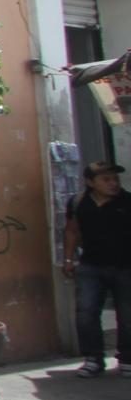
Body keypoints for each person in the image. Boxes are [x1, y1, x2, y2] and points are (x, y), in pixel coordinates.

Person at [62, 159, 131, 377]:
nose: (113, 184)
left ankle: (127, 359)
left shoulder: (127, 201)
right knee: (86, 313)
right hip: (91, 266)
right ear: (91, 182)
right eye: (106, 179)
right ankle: (93, 358)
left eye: (115, 179)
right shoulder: (79, 202)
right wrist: (68, 259)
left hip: (125, 267)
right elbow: (72, 230)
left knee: (127, 316)